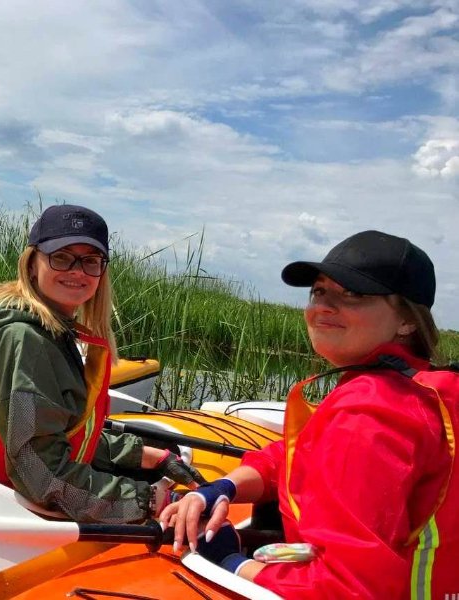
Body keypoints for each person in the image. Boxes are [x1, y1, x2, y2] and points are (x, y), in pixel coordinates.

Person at [160, 230, 458, 599]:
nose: (324, 307)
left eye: (353, 294)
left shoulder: (368, 412)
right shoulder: (427, 388)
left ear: (407, 321)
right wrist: (224, 487)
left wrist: (229, 560)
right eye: (319, 291)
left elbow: (345, 589)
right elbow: (299, 457)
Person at [0, 204, 205, 524]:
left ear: (101, 271)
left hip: (4, 493)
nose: (77, 271)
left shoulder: (40, 328)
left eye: (90, 261)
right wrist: (149, 500)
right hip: (8, 511)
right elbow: (40, 476)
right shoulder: (25, 341)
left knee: (157, 449)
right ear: (32, 264)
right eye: (61, 257)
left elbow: (57, 435)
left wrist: (147, 455)